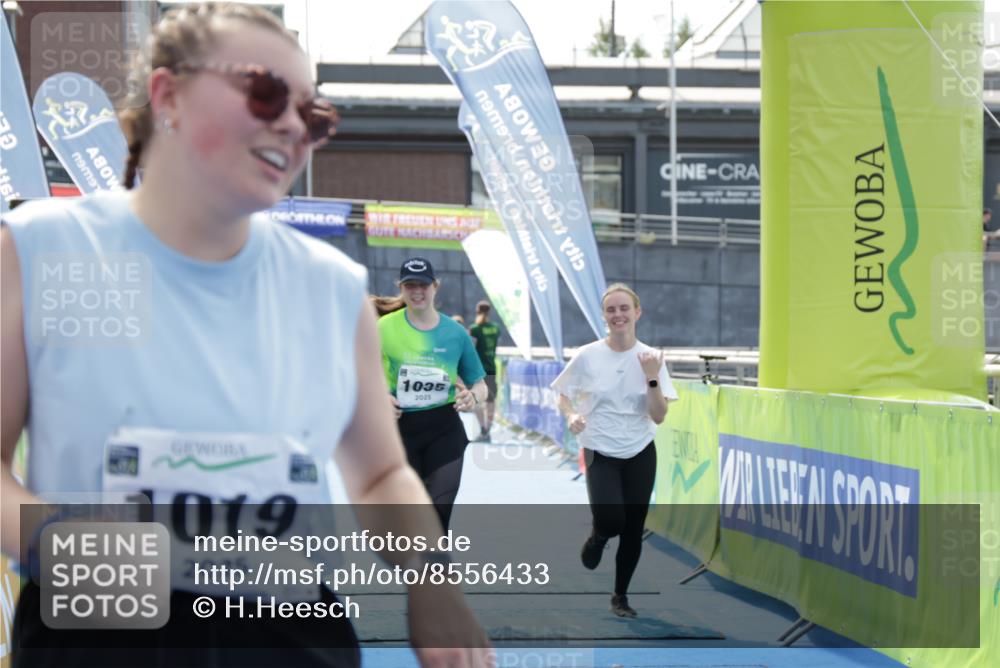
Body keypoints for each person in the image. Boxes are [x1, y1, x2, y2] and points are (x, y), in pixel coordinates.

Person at [0, 4, 488, 667]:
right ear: (168, 94)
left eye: (313, 116)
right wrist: (57, 545)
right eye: (263, 93)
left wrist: (432, 580)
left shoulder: (332, 287)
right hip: (99, 624)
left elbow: (378, 474)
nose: (291, 124)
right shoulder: (39, 250)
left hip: (286, 632)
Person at [551, 283, 678, 619]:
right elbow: (562, 393)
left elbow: (660, 415)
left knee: (634, 527)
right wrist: (572, 415)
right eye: (611, 310)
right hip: (599, 448)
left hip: (639, 449)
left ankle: (620, 596)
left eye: (624, 308)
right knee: (611, 520)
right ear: (604, 316)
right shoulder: (588, 355)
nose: (618, 315)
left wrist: (652, 378)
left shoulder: (652, 358)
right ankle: (598, 536)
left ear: (638, 313)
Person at [378, 258, 488, 531]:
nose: (417, 291)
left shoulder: (455, 333)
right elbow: (363, 377)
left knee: (438, 518)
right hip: (400, 430)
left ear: (435, 287)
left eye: (423, 285)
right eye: (410, 285)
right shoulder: (382, 328)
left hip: (445, 430)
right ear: (400, 288)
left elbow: (481, 384)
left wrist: (473, 397)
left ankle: (434, 573)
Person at [468, 300, 501, 443]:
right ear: (489, 312)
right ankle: (487, 430)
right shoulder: (495, 328)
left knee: (476, 400)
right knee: (490, 401)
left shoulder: (475, 328)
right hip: (491, 368)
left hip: (478, 370)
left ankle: (483, 429)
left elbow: (469, 347)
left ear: (477, 311)